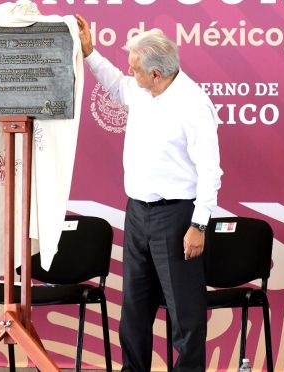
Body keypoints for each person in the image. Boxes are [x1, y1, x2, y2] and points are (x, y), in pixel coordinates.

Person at [76, 15, 223, 371]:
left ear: (156, 73)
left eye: (136, 70)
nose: (131, 76)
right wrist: (90, 52)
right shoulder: (144, 91)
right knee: (135, 308)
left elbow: (210, 170)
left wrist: (199, 225)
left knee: (184, 310)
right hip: (138, 213)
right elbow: (115, 83)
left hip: (177, 217)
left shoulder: (193, 105)